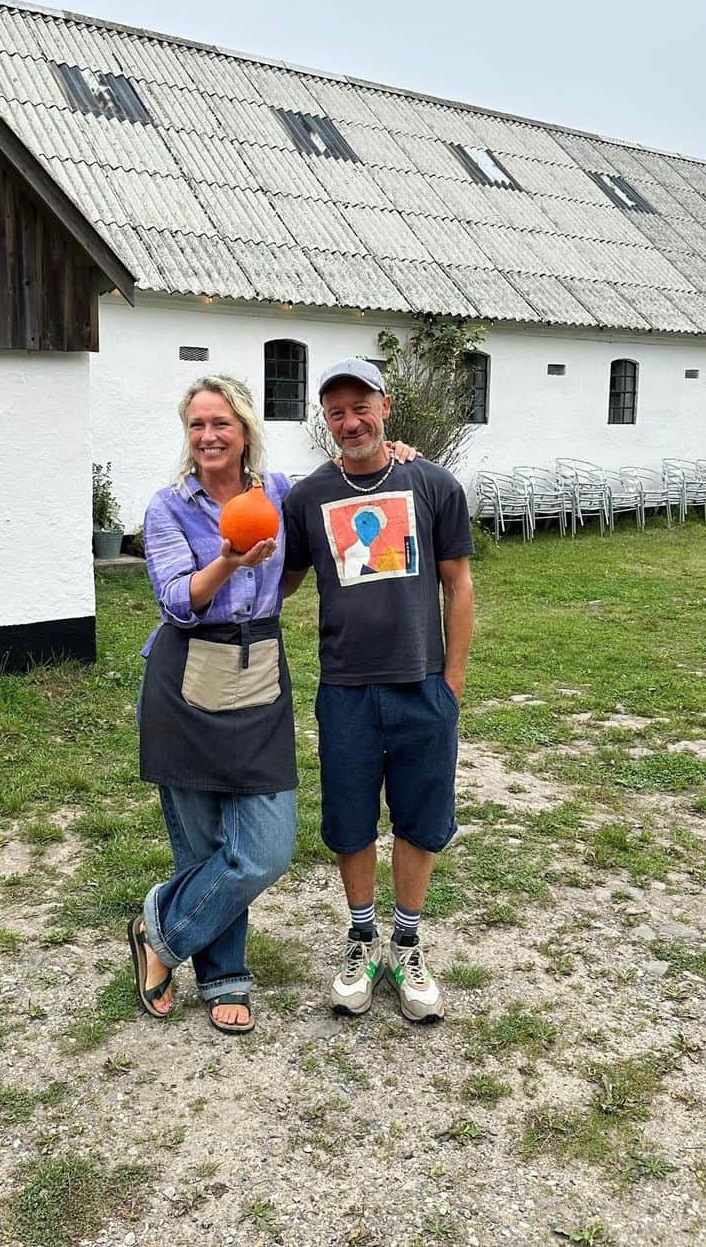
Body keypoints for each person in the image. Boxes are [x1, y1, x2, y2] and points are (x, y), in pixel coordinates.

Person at [283, 357, 475, 1024]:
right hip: (346, 691)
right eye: (335, 412)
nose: (350, 421)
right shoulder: (307, 497)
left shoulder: (432, 483)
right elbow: (281, 581)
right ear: (325, 422)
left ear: (385, 407)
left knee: (421, 819)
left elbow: (458, 583)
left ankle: (408, 943)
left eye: (360, 407)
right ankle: (362, 938)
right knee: (350, 820)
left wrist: (450, 682)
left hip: (422, 687)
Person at [129, 375, 297, 1034]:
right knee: (201, 845)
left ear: (245, 427)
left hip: (257, 672)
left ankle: (159, 932)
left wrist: (394, 456)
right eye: (196, 425)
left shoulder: (279, 494)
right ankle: (225, 976)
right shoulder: (168, 507)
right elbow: (175, 601)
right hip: (189, 681)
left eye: (220, 423)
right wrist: (228, 560)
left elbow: (335, 498)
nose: (207, 437)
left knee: (265, 850)